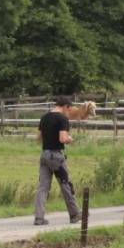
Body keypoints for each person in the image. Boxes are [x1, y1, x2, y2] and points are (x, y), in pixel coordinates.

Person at [34, 95, 81, 226]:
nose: (68, 113)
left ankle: (39, 218)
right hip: (56, 156)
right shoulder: (62, 119)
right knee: (66, 184)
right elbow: (63, 139)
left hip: (44, 154)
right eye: (69, 110)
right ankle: (75, 214)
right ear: (66, 106)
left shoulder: (44, 117)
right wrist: (70, 139)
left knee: (43, 187)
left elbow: (39, 138)